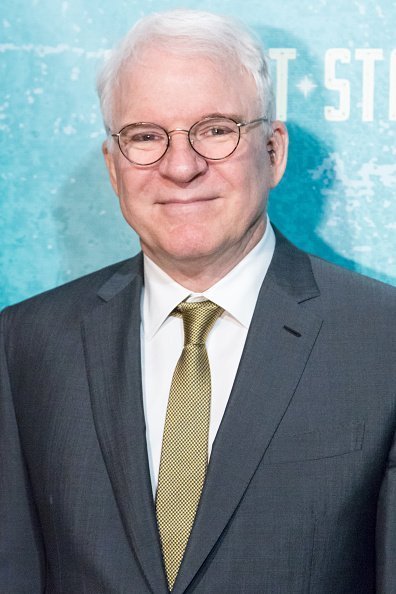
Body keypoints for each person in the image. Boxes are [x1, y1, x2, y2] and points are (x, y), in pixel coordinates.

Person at [1, 8, 396, 593]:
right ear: (113, 169)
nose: (181, 167)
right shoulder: (26, 342)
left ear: (273, 151)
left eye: (215, 129)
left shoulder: (381, 339)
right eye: (145, 137)